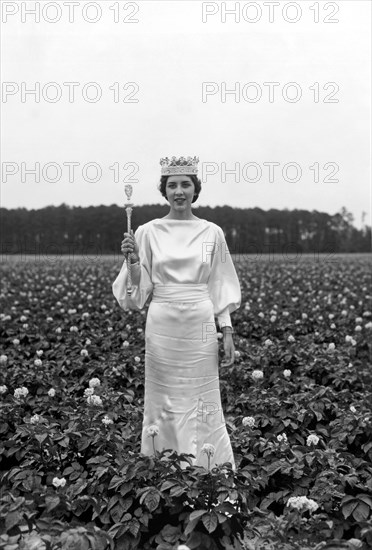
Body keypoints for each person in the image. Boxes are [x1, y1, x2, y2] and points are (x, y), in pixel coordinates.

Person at [112, 156, 241, 470]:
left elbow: (220, 284)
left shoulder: (213, 232)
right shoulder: (146, 232)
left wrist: (227, 331)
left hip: (200, 324)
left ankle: (208, 471)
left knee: (203, 401)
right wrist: (131, 263)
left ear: (195, 190)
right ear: (164, 190)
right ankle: (164, 474)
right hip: (162, 326)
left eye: (186, 184)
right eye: (172, 185)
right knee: (163, 403)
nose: (179, 191)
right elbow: (134, 297)